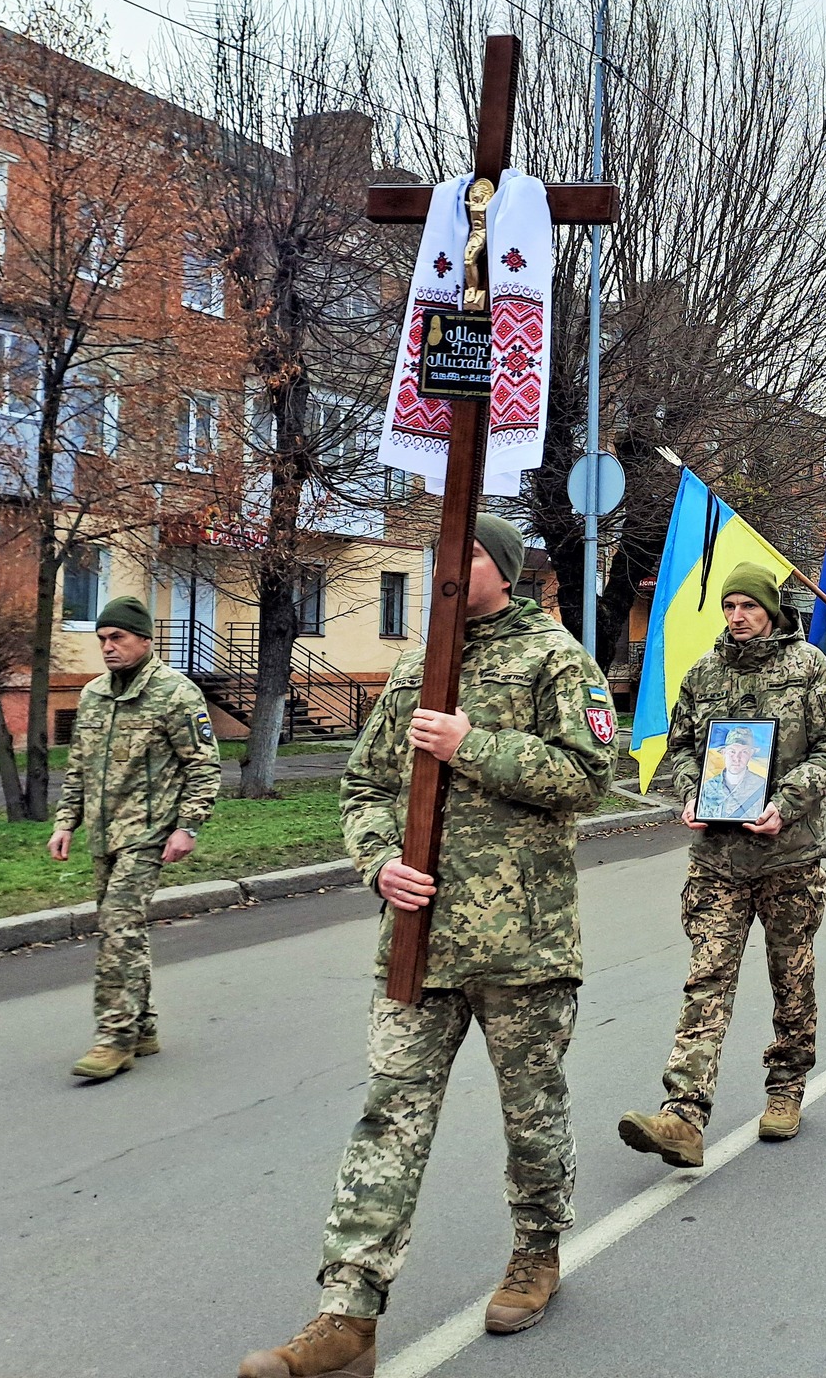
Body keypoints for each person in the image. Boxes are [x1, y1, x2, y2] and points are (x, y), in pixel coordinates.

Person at [238, 516, 614, 1375]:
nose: (448, 564)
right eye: (442, 553)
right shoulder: (416, 665)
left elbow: (592, 778)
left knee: (532, 1115)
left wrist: (471, 746)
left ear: (504, 571)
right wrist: (377, 864)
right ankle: (348, 1316)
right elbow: (365, 784)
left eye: (467, 553)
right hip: (417, 943)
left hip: (523, 943)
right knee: (388, 1118)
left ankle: (536, 1253)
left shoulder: (555, 658)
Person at [619, 564, 826, 1171]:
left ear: (771, 610)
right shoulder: (703, 673)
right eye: (729, 606)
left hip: (789, 856)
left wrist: (785, 803)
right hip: (718, 860)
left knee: (790, 977)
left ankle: (785, 1087)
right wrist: (690, 793)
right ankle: (684, 1114)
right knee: (706, 980)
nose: (737, 616)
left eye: (748, 605)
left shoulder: (810, 669)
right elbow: (683, 748)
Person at [49, 596, 221, 1083]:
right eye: (102, 638)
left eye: (118, 637)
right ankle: (143, 1027)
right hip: (103, 834)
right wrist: (66, 822)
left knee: (118, 927)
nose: (108, 647)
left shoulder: (176, 694)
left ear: (145, 640)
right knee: (121, 930)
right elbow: (79, 767)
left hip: (149, 834)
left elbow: (204, 768)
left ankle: (114, 1038)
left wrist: (188, 827)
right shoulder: (93, 695)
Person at [697, 725, 769, 820]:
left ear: (751, 754)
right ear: (723, 753)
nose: (736, 758)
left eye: (744, 752)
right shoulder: (708, 787)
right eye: (732, 751)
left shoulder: (762, 786)